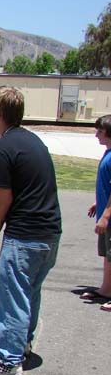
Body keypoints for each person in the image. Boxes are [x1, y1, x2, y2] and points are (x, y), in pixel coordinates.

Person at [0, 86, 62, 375]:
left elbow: (3, 199)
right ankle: (21, 345)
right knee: (28, 294)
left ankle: (8, 359)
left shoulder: (2, 148)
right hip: (49, 233)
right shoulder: (32, 140)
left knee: (13, 296)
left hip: (25, 236)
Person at [82, 115, 111, 310]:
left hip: (109, 216)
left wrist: (106, 216)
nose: (96, 135)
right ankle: (106, 289)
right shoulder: (108, 153)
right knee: (108, 255)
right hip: (105, 211)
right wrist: (98, 203)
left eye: (100, 131)